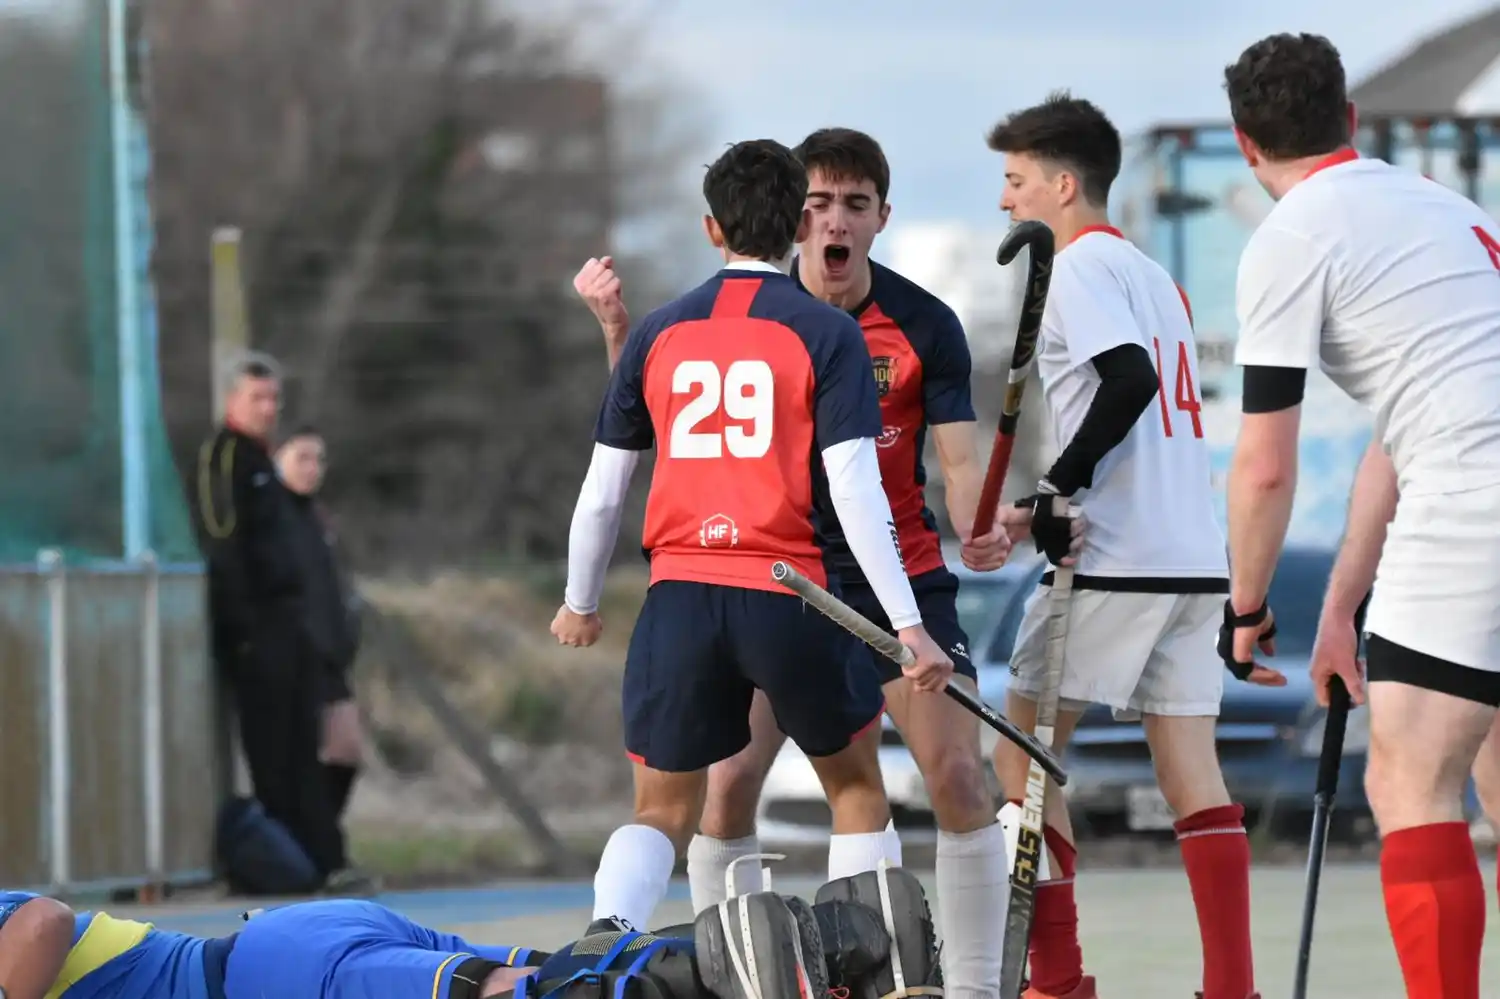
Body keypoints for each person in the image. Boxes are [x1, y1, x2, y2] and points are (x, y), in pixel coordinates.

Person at [573, 127, 1018, 999]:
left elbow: (959, 463)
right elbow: (666, 416)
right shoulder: (765, 324)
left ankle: (967, 988)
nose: (836, 221)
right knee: (729, 788)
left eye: (855, 204)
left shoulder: (925, 323)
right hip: (786, 578)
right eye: (820, 203)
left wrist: (980, 528)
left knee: (958, 775)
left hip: (895, 571)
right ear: (795, 220)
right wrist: (617, 333)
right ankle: (740, 974)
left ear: (882, 217)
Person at [1222, 32, 1500, 999]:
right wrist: (1342, 608)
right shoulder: (1443, 206)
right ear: (1348, 120)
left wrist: (1245, 606)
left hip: (1472, 498)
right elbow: (1401, 425)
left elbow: (1264, 467)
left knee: (1410, 781)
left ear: (1244, 143)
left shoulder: (1291, 237)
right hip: (1466, 477)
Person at [985, 94, 1258, 999]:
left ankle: (1058, 982)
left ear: (1064, 185)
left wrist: (1058, 484)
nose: (1005, 199)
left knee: (1019, 757)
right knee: (1192, 774)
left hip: (1115, 561)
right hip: (1190, 558)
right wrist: (1040, 498)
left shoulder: (1078, 268)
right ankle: (1232, 989)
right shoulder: (1151, 275)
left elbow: (1128, 381)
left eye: (1016, 180)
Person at [193, 352, 357, 893]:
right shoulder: (225, 457)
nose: (267, 409)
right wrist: (240, 633)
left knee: (303, 752)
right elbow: (224, 544)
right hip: (258, 634)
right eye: (256, 398)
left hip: (293, 631)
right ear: (231, 401)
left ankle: (322, 860)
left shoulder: (266, 464)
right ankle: (288, 868)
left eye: (273, 399)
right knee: (272, 757)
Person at [274, 426, 367, 849]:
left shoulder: (317, 518)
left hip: (330, 657)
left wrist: (346, 633)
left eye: (319, 459)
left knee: (346, 751)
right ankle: (310, 843)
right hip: (297, 655)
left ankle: (319, 837)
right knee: (306, 758)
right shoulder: (275, 518)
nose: (313, 468)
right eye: (302, 458)